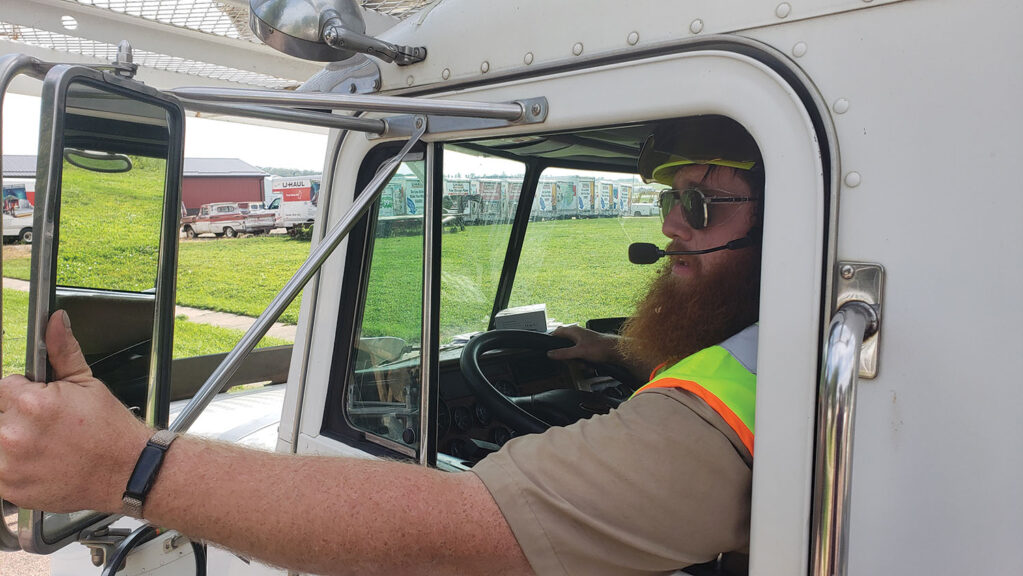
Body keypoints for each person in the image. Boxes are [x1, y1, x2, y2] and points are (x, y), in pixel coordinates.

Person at [0, 115, 762, 576]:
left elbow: (463, 537)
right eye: (669, 199)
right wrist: (613, 353)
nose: (670, 226)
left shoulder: (723, 412)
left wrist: (123, 467)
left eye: (698, 202)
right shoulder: (764, 345)